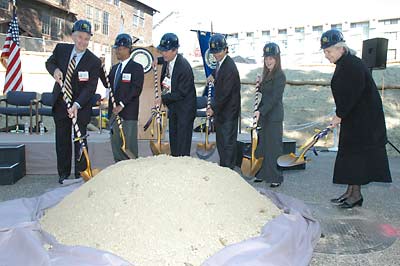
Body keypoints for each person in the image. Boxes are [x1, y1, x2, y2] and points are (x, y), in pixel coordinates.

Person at [320, 29, 392, 208]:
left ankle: (356, 196)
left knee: (357, 158)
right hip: (354, 120)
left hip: (364, 123)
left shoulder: (352, 64)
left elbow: (352, 94)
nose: (326, 55)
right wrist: (341, 115)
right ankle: (350, 191)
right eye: (325, 52)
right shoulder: (346, 63)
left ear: (340, 49)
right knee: (349, 157)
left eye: (328, 51)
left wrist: (339, 115)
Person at [45, 20, 101, 184]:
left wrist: (77, 105)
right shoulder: (61, 50)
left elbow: (90, 88)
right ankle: (63, 174)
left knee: (80, 140)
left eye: (86, 38)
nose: (82, 42)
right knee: (62, 141)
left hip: (80, 107)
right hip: (61, 103)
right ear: (73, 36)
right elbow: (50, 62)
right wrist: (54, 70)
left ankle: (80, 174)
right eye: (79, 37)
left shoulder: (94, 61)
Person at [100, 33, 144, 161]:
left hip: (128, 113)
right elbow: (107, 83)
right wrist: (100, 68)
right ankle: (118, 170)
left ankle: (131, 172)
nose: (117, 52)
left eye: (119, 49)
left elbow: (136, 89)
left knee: (128, 146)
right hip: (114, 114)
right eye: (116, 49)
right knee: (116, 145)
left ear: (127, 49)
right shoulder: (114, 69)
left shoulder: (136, 68)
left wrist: (122, 105)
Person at [155, 33, 196, 156]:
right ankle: (175, 162)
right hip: (174, 107)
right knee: (173, 138)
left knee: (182, 143)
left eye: (166, 51)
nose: (163, 54)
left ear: (175, 50)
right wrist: (157, 60)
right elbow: (164, 59)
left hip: (185, 110)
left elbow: (181, 93)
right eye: (162, 51)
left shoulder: (184, 67)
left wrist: (162, 98)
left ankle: (182, 165)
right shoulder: (168, 60)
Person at [253, 42, 285, 187]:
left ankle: (275, 177)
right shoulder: (267, 74)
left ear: (277, 59)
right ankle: (263, 173)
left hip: (274, 116)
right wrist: (259, 86)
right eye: (266, 58)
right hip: (265, 115)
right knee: (263, 145)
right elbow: (266, 93)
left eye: (271, 58)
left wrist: (261, 111)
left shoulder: (280, 75)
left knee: (273, 147)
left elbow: (274, 98)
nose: (268, 61)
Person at [206, 34, 241, 169]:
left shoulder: (229, 67)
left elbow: (224, 94)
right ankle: (224, 169)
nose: (216, 55)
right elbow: (219, 73)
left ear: (226, 49)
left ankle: (228, 171)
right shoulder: (222, 63)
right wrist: (213, 76)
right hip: (222, 111)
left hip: (228, 113)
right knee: (222, 143)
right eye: (214, 52)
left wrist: (212, 108)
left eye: (219, 51)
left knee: (227, 145)